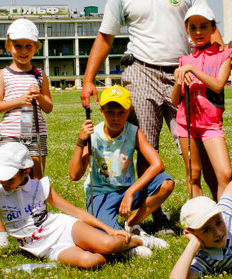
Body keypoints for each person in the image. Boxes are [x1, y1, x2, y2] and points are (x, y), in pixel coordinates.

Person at [80, 0, 223, 235]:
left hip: (182, 73)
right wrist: (88, 78)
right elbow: (105, 37)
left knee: (197, 145)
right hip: (140, 69)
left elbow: (209, 28)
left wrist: (220, 59)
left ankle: (216, 211)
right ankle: (154, 218)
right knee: (147, 148)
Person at [0, 142, 164, 274]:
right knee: (92, 262)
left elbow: (73, 211)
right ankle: (120, 251)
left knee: (109, 242)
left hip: (62, 228)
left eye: (8, 177)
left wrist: (108, 229)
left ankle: (136, 242)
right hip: (45, 248)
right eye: (0, 177)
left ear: (25, 171)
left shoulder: (39, 186)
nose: (2, 182)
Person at [69, 84, 173, 245]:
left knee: (166, 183)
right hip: (101, 195)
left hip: (127, 190)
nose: (116, 118)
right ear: (101, 111)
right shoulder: (93, 135)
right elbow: (74, 175)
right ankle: (136, 240)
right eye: (110, 112)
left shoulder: (133, 132)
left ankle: (132, 224)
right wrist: (81, 141)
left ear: (129, 111)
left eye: (121, 113)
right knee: (109, 236)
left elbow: (158, 164)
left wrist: (131, 191)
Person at [0, 18, 54, 248]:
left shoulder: (39, 74)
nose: (23, 51)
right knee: (7, 181)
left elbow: (49, 107)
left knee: (35, 179)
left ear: (36, 47)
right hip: (11, 135)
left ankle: (37, 222)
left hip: (34, 133)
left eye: (28, 46)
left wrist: (40, 96)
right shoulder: (3, 75)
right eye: (18, 46)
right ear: (9, 46)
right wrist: (18, 100)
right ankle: (1, 229)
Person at [171, 4, 232, 200]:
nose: (198, 32)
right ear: (187, 30)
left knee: (225, 173)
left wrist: (193, 70)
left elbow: (217, 85)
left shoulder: (224, 56)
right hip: (186, 124)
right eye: (193, 28)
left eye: (203, 26)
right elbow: (175, 101)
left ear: (213, 28)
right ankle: (198, 220)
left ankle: (225, 217)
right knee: (194, 174)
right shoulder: (184, 60)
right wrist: (178, 80)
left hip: (211, 125)